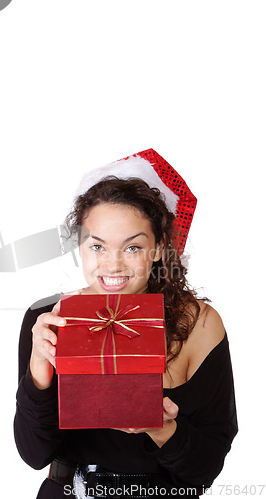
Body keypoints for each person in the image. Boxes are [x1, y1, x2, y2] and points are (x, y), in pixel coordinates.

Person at [14, 150, 238, 499]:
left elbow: (206, 469)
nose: (113, 264)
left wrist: (163, 428)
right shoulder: (49, 317)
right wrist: (39, 372)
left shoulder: (199, 324)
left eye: (133, 248)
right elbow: (34, 453)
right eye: (98, 246)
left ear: (160, 247)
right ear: (80, 247)